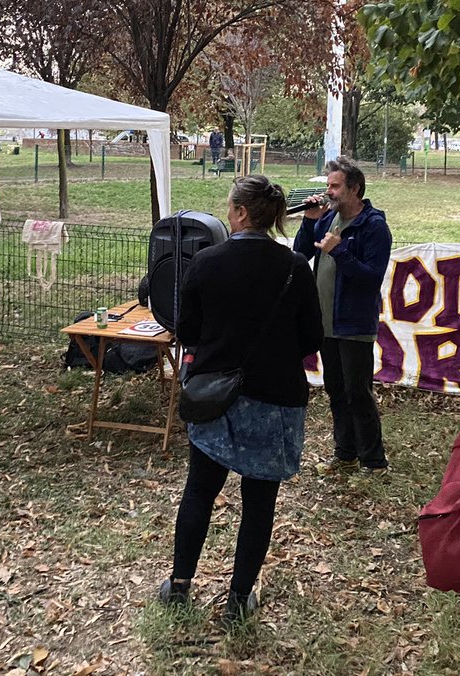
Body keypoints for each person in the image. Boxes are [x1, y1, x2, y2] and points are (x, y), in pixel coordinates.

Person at [158, 175, 323, 627]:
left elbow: (187, 329)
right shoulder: (295, 268)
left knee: (199, 491)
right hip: (276, 400)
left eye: (230, 206)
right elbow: (312, 337)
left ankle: (179, 586)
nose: (227, 212)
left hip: (216, 398)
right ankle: (238, 597)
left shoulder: (206, 262)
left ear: (242, 214)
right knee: (259, 502)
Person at [293, 155, 392, 476]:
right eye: (328, 186)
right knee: (336, 390)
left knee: (357, 393)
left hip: (354, 325)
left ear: (355, 189)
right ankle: (345, 454)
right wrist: (309, 220)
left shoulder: (373, 226)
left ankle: (374, 462)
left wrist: (339, 251)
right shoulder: (326, 220)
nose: (329, 192)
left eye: (335, 186)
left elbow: (370, 278)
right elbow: (300, 255)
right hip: (326, 325)